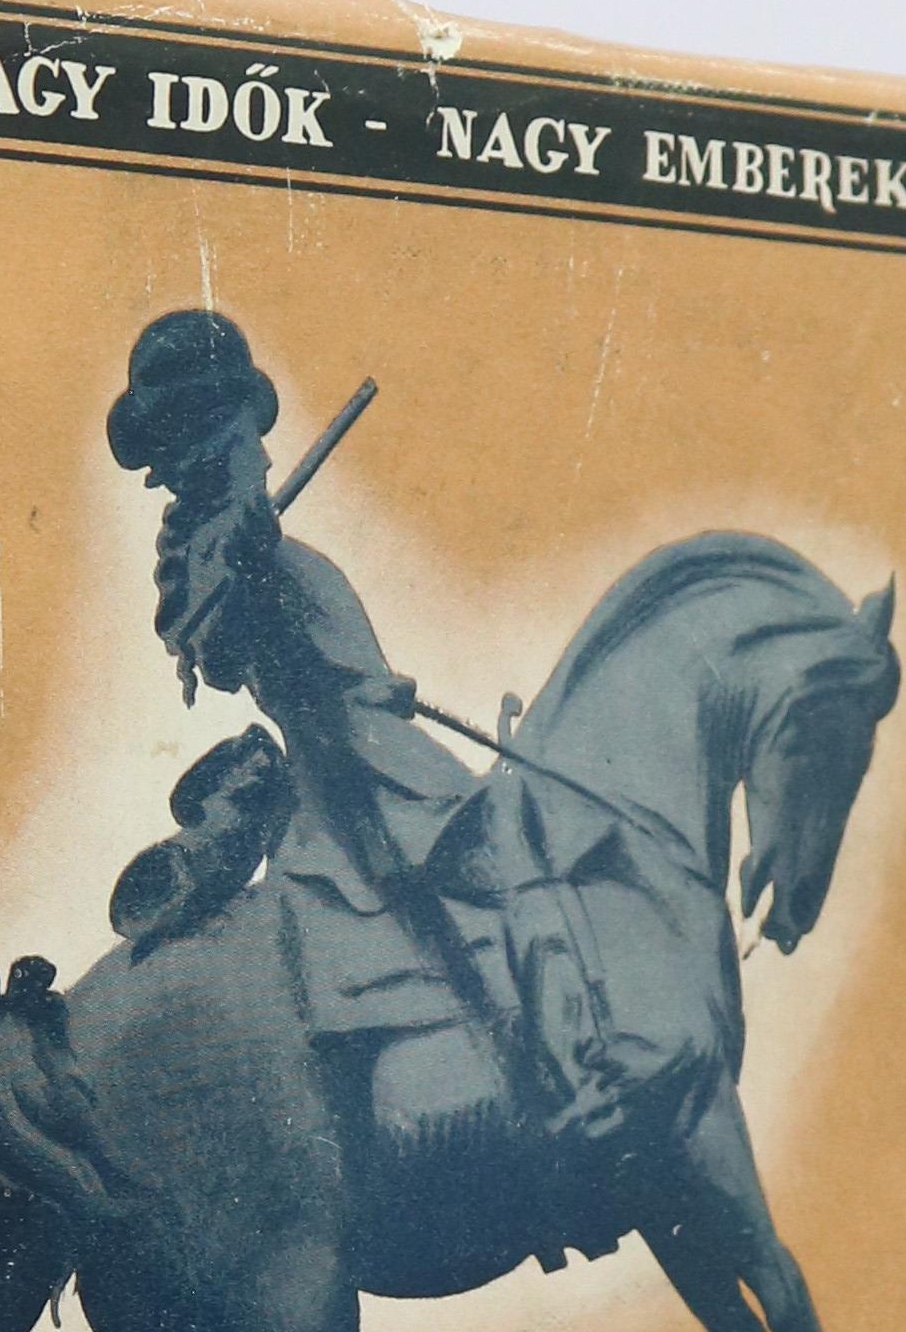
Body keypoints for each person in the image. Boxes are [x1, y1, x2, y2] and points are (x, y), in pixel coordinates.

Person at [105, 309, 710, 1144]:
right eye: (244, 437)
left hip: (369, 743)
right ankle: (581, 1072)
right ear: (216, 444)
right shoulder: (226, 557)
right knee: (520, 857)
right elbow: (219, 651)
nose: (266, 455)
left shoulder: (247, 549)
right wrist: (246, 570)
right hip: (361, 762)